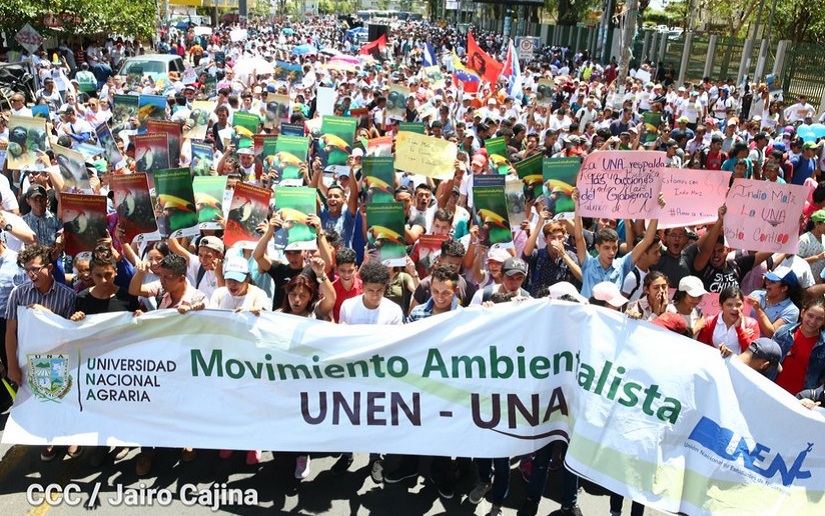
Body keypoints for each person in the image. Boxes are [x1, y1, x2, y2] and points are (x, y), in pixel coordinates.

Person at [384, 264, 461, 498]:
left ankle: (441, 474)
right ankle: (409, 467)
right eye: (435, 291)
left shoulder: (464, 317)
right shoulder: (417, 314)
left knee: (443, 434)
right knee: (414, 428)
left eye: (446, 293)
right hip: (418, 385)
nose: (440, 297)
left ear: (456, 291)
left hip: (447, 388)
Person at [134, 254, 207, 476]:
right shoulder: (161, 290)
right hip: (160, 360)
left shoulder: (198, 298)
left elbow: (209, 326)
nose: (162, 281)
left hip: (185, 363)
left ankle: (188, 440)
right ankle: (147, 450)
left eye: (167, 277)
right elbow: (135, 289)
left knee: (184, 404)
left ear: (181, 278)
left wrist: (197, 312)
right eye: (161, 276)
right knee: (151, 404)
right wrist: (140, 272)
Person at [4, 244, 76, 461]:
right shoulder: (18, 294)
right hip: (29, 361)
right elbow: (10, 331)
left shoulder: (67, 295)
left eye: (35, 269)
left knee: (65, 398)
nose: (31, 274)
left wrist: (46, 314)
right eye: (27, 270)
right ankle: (49, 437)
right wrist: (12, 366)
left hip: (60, 358)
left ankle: (72, 436)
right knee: (40, 401)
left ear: (49, 267)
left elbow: (70, 331)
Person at [70, 247, 140, 467]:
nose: (103, 280)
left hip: (122, 362)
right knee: (99, 405)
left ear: (115, 272)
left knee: (122, 403)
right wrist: (75, 319)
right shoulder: (81, 298)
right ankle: (101, 444)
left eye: (108, 274)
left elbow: (139, 326)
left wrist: (140, 317)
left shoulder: (126, 297)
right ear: (90, 274)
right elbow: (74, 331)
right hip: (95, 364)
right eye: (98, 275)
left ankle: (122, 441)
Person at [335, 261, 402, 481]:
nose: (375, 295)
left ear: (385, 288)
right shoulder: (348, 306)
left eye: (379, 291)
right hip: (352, 372)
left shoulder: (393, 311)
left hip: (379, 374)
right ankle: (347, 453)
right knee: (349, 415)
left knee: (375, 417)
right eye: (370, 290)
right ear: (362, 286)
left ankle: (375, 458)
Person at [572, 188, 662, 298]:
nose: (611, 252)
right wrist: (577, 206)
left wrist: (656, 211)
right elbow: (579, 237)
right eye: (606, 248)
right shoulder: (588, 263)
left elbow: (647, 241)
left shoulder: (622, 265)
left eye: (614, 248)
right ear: (597, 247)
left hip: (613, 309)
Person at [772, 297, 825, 394]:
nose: (813, 321)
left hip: (800, 399)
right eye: (810, 315)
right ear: (802, 313)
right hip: (771, 389)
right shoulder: (783, 332)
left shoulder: (823, 346)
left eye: (819, 319)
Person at [697, 286, 758, 355]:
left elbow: (753, 354)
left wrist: (740, 330)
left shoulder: (751, 324)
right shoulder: (709, 322)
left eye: (738, 305)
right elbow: (700, 348)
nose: (734, 308)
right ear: (721, 306)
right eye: (729, 305)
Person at [747, 267, 801, 338]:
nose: (767, 283)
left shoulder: (792, 311)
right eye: (767, 279)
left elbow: (771, 334)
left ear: (784, 288)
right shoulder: (755, 294)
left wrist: (759, 310)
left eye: (772, 282)